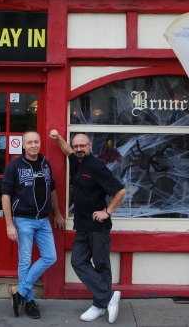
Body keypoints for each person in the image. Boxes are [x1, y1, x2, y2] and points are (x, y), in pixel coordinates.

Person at [49, 130, 126, 324]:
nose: (78, 149)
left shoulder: (97, 167)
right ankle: (107, 297)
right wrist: (59, 139)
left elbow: (120, 191)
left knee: (101, 264)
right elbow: (67, 152)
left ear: (90, 146)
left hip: (98, 226)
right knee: (78, 261)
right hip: (82, 225)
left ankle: (100, 305)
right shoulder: (76, 160)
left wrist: (107, 212)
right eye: (76, 146)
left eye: (82, 146)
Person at [1, 130, 66, 319]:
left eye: (36, 142)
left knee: (50, 257)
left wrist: (58, 214)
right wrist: (9, 224)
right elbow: (5, 195)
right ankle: (28, 301)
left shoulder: (45, 163)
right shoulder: (14, 166)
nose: (33, 146)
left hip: (43, 220)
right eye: (29, 142)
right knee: (25, 260)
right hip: (23, 221)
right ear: (23, 145)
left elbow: (51, 189)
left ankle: (19, 291)